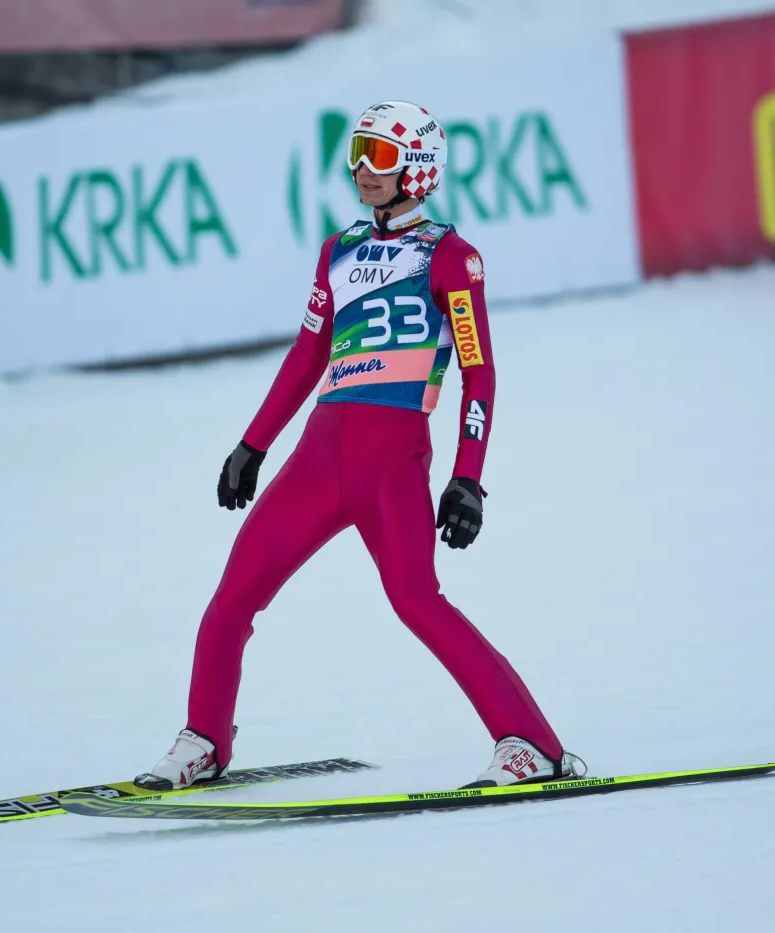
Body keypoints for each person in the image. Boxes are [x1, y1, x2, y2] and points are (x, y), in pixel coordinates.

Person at [135, 100, 585, 792]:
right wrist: (251, 445)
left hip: (391, 463)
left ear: (419, 168)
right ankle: (203, 739)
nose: (362, 171)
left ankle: (532, 745)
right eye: (357, 154)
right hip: (319, 458)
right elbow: (308, 351)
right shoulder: (339, 250)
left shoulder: (453, 258)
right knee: (233, 595)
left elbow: (479, 371)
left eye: (379, 157)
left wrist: (469, 477)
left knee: (416, 599)